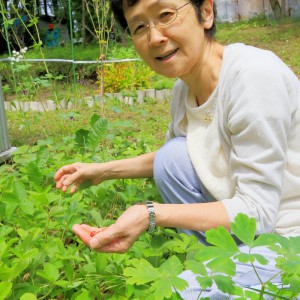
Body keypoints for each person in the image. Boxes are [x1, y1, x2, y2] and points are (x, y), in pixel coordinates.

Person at [54, 0, 300, 298]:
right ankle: (224, 264)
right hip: (252, 231)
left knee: (184, 292)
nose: (155, 37)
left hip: (289, 241)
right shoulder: (184, 90)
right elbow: (187, 153)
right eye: (140, 26)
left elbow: (258, 211)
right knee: (172, 158)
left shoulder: (253, 77)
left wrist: (150, 214)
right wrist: (102, 171)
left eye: (166, 15)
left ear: (206, 12)